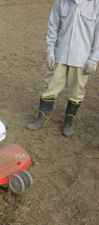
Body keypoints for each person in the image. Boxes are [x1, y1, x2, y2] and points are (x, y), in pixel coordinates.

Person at [26, 0, 99, 137]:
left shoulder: (96, 4)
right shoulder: (61, 2)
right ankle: (42, 119)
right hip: (60, 54)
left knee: (77, 92)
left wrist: (93, 59)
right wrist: (51, 51)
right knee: (50, 87)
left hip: (81, 58)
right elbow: (53, 27)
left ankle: (68, 123)